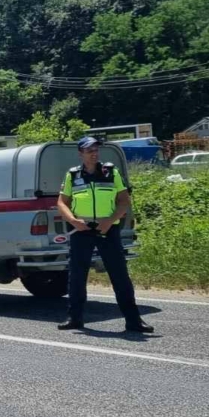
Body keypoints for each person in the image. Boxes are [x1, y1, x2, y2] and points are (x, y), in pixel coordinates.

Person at [56, 136, 153, 334]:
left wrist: (109, 221)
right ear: (81, 153)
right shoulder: (72, 175)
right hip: (81, 230)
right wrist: (73, 221)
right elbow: (61, 203)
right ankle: (75, 318)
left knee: (119, 275)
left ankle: (133, 321)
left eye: (96, 150)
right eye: (89, 150)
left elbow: (124, 201)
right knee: (77, 275)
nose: (94, 153)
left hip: (108, 230)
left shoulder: (111, 172)